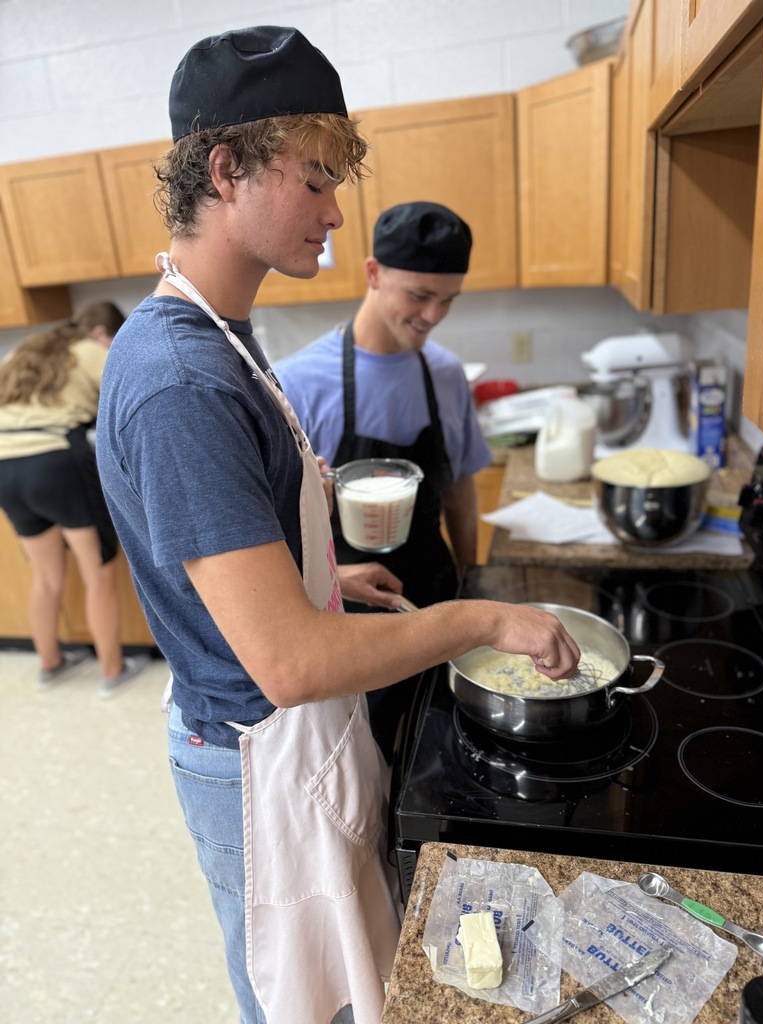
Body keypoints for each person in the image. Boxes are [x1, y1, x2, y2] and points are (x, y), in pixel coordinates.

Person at [95, 25, 580, 1024]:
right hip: (256, 756)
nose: (335, 207)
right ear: (224, 170)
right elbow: (290, 664)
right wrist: (484, 620)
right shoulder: (180, 378)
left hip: (291, 748)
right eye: (315, 177)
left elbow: (246, 580)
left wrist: (322, 581)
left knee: (342, 984)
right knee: (296, 1002)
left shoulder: (224, 337)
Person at [275, 201, 491, 759]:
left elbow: (460, 487)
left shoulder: (444, 373)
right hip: (345, 614)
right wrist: (335, 576)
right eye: (419, 295)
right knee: (367, 760)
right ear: (373, 274)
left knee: (444, 749)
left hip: (437, 595)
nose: (433, 315)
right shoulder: (301, 382)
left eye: (448, 300)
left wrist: (471, 577)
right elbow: (274, 522)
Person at [0, 301, 151, 695]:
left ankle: (49, 664)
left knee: (46, 575)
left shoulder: (26, 349)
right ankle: (113, 671)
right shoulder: (92, 352)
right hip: (55, 463)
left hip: (5, 465)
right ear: (103, 334)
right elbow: (130, 399)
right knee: (96, 573)